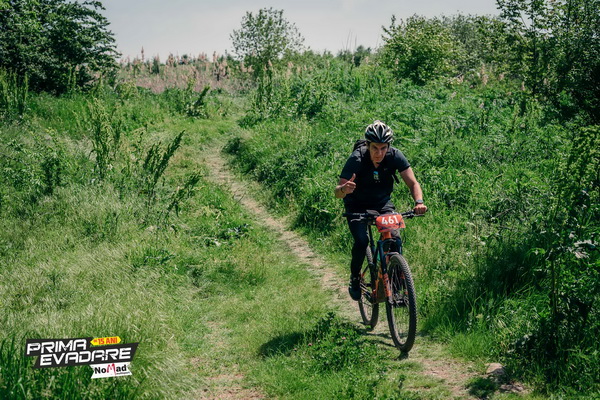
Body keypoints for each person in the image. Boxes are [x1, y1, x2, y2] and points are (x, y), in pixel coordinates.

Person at [335, 120, 427, 301]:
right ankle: (355, 278)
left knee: (394, 239)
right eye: (375, 148)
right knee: (362, 241)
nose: (379, 153)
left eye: (383, 148)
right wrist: (344, 189)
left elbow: (413, 183)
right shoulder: (356, 158)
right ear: (367, 145)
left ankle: (395, 283)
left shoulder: (395, 156)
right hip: (356, 205)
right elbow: (337, 192)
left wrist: (419, 202)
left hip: (382, 204)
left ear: (389, 146)